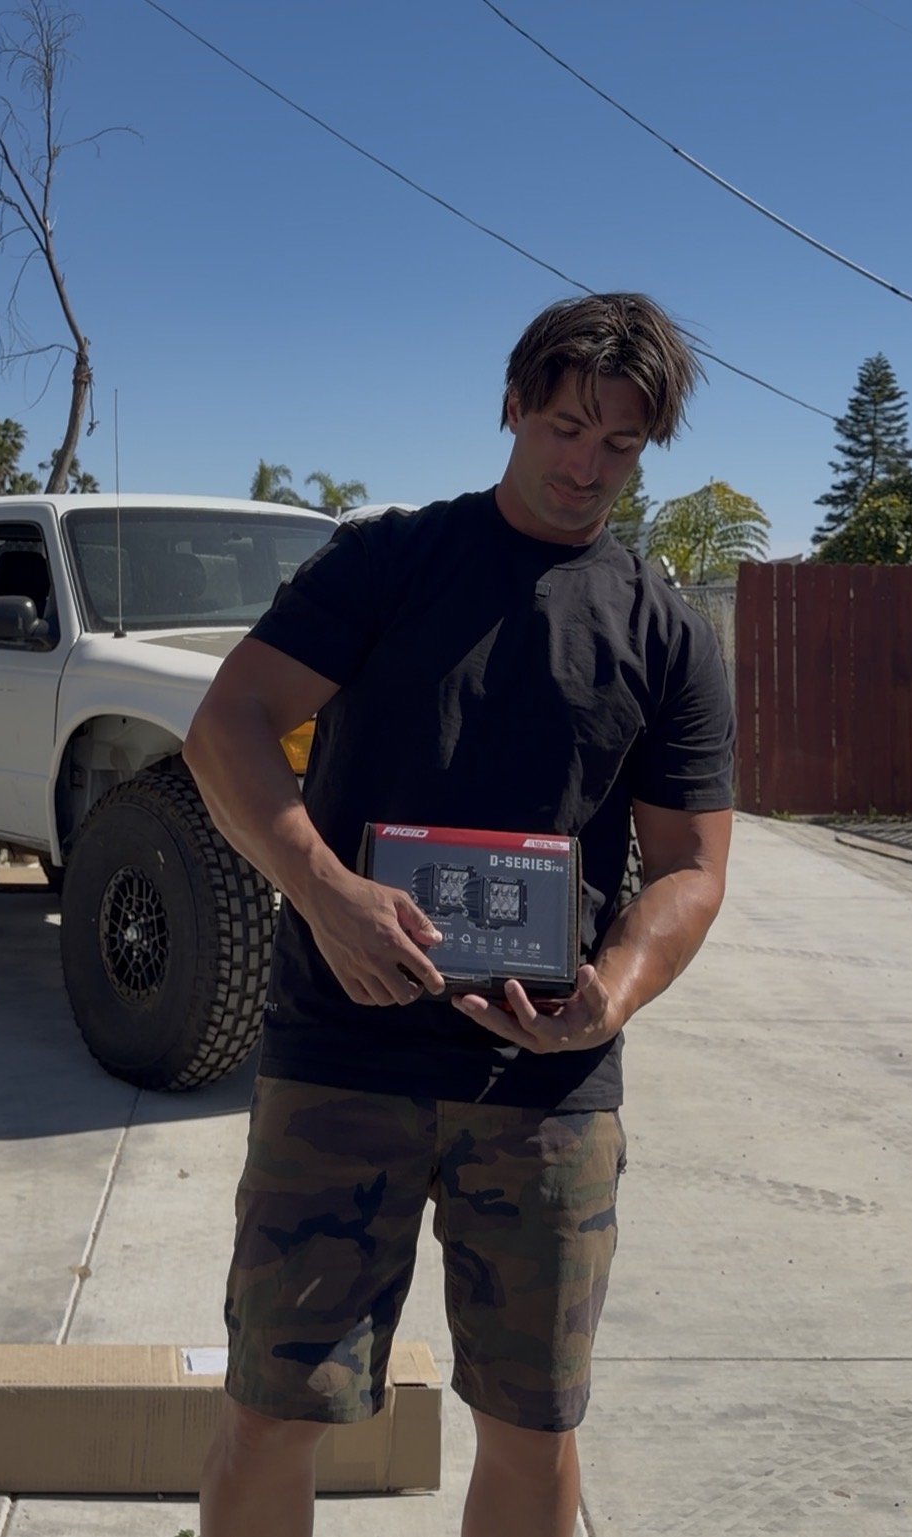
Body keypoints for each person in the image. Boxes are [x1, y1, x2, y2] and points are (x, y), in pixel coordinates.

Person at [183, 292, 734, 1537]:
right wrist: (325, 892)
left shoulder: (667, 634)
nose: (586, 467)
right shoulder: (388, 564)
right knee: (273, 1411)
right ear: (512, 406)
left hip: (545, 1089)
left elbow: (693, 865)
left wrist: (613, 990)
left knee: (536, 1432)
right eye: (565, 429)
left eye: (620, 444)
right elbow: (226, 726)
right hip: (343, 1060)